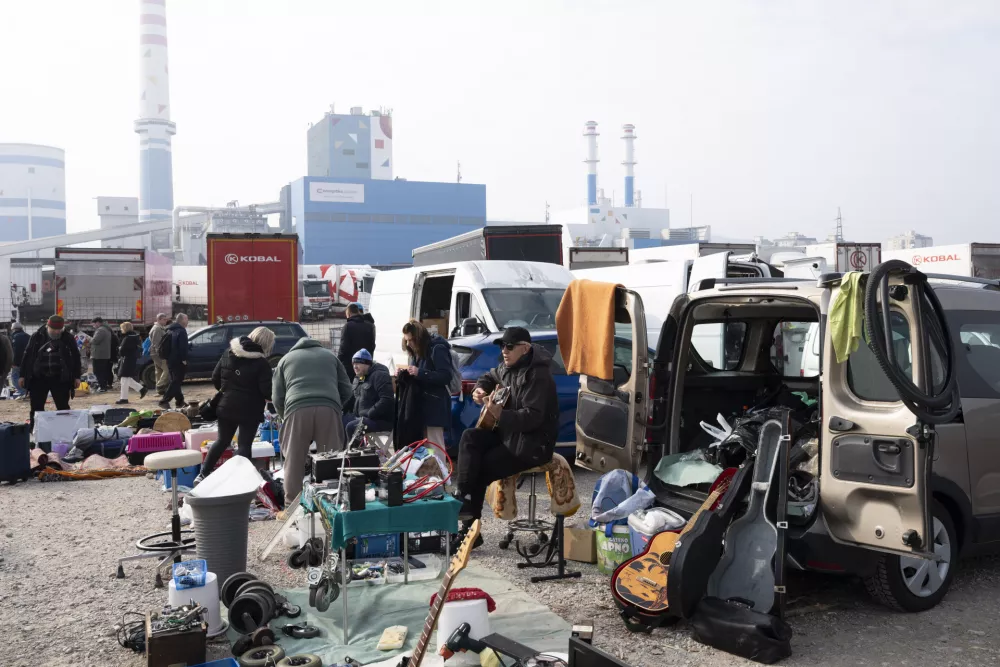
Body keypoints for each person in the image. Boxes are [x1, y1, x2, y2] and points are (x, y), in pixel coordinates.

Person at [453, 327, 559, 547]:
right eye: (502, 346)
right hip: (510, 436)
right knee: (470, 437)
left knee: (479, 468)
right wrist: (481, 388)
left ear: (525, 348)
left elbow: (533, 419)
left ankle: (469, 530)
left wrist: (501, 413)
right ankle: (463, 496)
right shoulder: (508, 367)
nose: (504, 351)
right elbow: (489, 375)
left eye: (509, 347)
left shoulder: (538, 375)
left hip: (532, 445)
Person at [273, 337, 353, 509]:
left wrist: (285, 416)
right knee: (331, 460)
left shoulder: (285, 359)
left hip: (296, 409)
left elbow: (277, 397)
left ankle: (291, 508)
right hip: (328, 408)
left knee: (293, 462)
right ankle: (331, 505)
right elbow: (347, 390)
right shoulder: (330, 357)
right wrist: (335, 407)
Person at [196, 327, 276, 485]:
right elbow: (267, 392)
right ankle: (238, 481)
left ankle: (203, 474)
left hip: (226, 406)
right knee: (244, 445)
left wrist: (227, 390)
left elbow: (215, 377)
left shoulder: (229, 352)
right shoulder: (261, 363)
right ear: (267, 344)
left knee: (222, 441)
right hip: (250, 410)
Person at [395, 319, 453, 448]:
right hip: (421, 407)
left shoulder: (437, 349)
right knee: (426, 449)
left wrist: (419, 372)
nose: (409, 344)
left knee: (435, 446)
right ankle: (431, 468)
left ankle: (439, 468)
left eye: (411, 340)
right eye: (407, 341)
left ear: (418, 338)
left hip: (434, 408)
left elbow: (445, 376)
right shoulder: (417, 352)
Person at [20, 315, 82, 432]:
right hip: (38, 377)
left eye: (59, 330)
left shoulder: (67, 338)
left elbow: (75, 357)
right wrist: (23, 375)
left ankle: (65, 430)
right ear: (48, 326)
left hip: (60, 378)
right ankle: (36, 430)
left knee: (63, 406)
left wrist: (76, 377)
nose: (57, 332)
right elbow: (27, 355)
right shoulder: (37, 337)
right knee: (36, 407)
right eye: (54, 330)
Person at [345, 348, 394, 438]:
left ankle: (355, 451)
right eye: (353, 363)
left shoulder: (380, 375)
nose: (355, 366)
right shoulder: (358, 378)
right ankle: (346, 450)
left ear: (367, 364)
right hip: (361, 417)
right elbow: (353, 398)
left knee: (351, 427)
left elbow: (387, 399)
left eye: (358, 363)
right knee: (342, 420)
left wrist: (370, 414)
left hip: (380, 420)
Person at [338, 302, 376, 382]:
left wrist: (338, 362)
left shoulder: (348, 326)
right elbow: (372, 346)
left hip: (351, 367)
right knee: (364, 387)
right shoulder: (370, 325)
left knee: (352, 389)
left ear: (348, 313)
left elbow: (343, 348)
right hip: (366, 365)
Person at [159, 313, 189, 410]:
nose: (187, 321)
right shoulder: (181, 331)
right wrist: (184, 359)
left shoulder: (170, 329)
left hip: (170, 359)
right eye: (186, 319)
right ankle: (164, 401)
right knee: (177, 381)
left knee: (175, 381)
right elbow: (182, 347)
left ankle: (180, 401)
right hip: (178, 361)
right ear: (182, 320)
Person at [115, 322, 147, 404]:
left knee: (124, 379)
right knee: (126, 378)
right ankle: (141, 389)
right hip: (132, 359)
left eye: (122, 328)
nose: (121, 330)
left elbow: (122, 351)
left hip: (127, 360)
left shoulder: (127, 338)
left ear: (125, 328)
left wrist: (119, 349)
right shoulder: (135, 337)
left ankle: (124, 398)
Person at [148, 313, 170, 396]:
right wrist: (161, 355)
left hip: (155, 353)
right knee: (166, 370)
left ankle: (159, 391)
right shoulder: (157, 329)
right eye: (164, 319)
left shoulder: (159, 328)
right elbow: (156, 343)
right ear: (159, 319)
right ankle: (160, 386)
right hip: (158, 353)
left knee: (159, 371)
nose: (166, 321)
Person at [91, 317, 114, 392]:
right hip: (104, 354)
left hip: (99, 355)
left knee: (97, 371)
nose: (93, 326)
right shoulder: (107, 329)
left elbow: (95, 341)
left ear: (97, 322)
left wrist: (87, 338)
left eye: (93, 324)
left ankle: (102, 387)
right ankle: (103, 385)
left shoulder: (100, 330)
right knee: (103, 371)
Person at [10, 322, 29, 399]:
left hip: (18, 362)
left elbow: (16, 351)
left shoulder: (15, 337)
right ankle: (28, 392)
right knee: (26, 377)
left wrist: (14, 362)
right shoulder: (28, 336)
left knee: (14, 378)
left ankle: (23, 392)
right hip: (28, 361)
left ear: (13, 329)